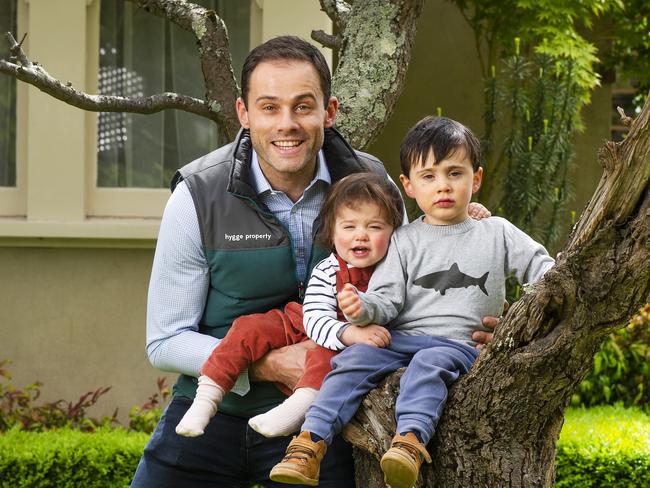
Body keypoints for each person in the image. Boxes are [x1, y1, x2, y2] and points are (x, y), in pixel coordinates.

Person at [131, 35, 495, 488]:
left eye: (303, 106)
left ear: (330, 111)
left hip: (329, 422)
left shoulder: (371, 182)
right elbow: (164, 342)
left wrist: (468, 319)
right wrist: (266, 364)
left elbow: (416, 277)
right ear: (244, 113)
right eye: (269, 107)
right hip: (213, 412)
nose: (287, 124)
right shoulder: (197, 195)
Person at [269, 116, 555, 488]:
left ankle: (409, 442)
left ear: (476, 179)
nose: (443, 186)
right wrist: (363, 309)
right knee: (352, 360)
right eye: (429, 176)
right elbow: (387, 298)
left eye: (455, 173)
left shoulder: (496, 231)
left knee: (429, 363)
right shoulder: (403, 239)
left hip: (458, 344)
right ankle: (310, 444)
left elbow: (543, 269)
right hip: (401, 338)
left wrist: (528, 316)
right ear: (409, 186)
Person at [175, 173, 403, 439]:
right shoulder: (328, 269)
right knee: (249, 328)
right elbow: (316, 318)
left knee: (325, 357)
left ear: (394, 233)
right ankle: (207, 397)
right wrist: (348, 333)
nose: (361, 236)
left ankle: (295, 409)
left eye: (374, 227)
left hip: (347, 341)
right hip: (308, 320)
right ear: (332, 231)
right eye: (349, 227)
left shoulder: (395, 269)